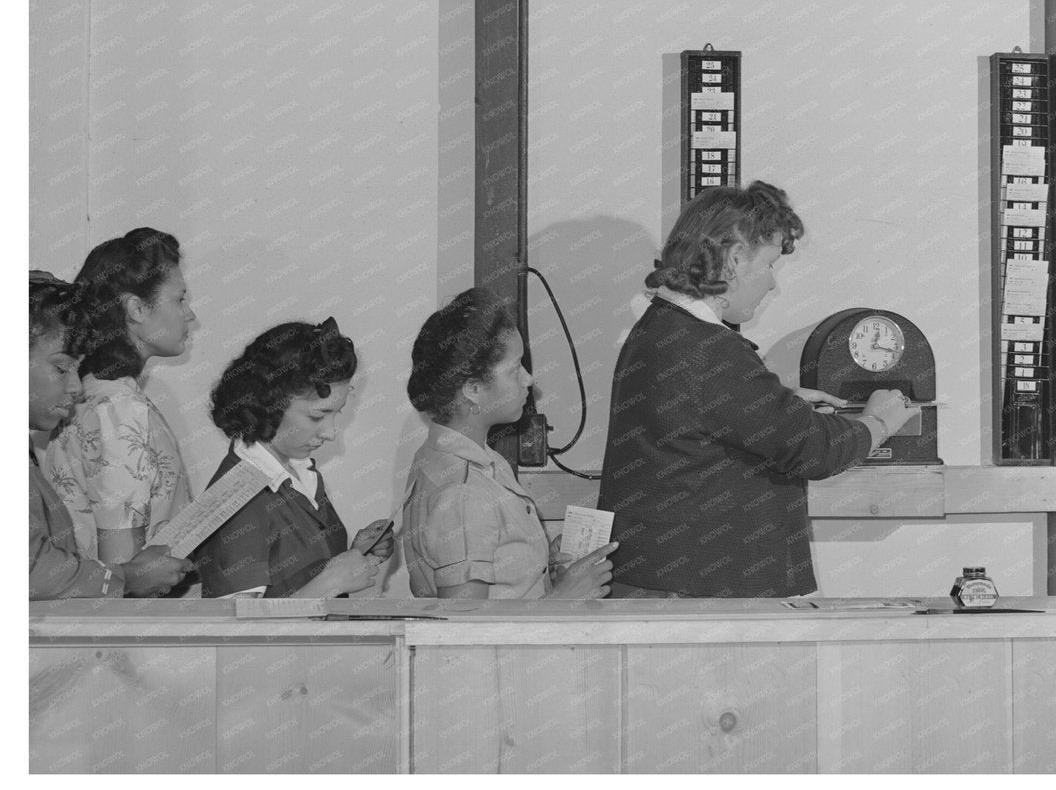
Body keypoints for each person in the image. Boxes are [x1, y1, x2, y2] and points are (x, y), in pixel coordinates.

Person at [597, 180, 918, 597]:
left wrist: (780, 404)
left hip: (671, 586)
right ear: (733, 259)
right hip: (695, 596)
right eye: (768, 265)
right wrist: (879, 421)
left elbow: (713, 420)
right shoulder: (705, 349)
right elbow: (816, 449)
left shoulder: (662, 326)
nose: (771, 284)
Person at [402, 288, 615, 599]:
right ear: (473, 389)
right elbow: (465, 633)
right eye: (515, 368)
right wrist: (564, 599)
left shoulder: (467, 459)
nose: (528, 379)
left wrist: (539, 563)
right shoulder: (463, 492)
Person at [193, 318, 393, 598]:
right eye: (317, 416)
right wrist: (331, 582)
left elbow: (293, 577)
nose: (331, 432)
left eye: (337, 413)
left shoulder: (299, 472)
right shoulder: (236, 498)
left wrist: (355, 554)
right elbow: (241, 632)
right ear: (269, 404)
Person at [29, 271, 194, 599]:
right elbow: (31, 573)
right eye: (61, 368)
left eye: (77, 368)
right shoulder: (117, 404)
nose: (76, 388)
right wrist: (127, 578)